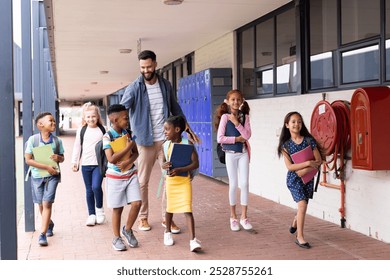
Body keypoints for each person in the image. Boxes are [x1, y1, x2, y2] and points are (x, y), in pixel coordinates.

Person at [120, 50, 199, 233]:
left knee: (169, 178)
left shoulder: (165, 85)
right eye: (142, 67)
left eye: (148, 66)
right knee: (142, 182)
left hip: (165, 141)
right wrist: (125, 136)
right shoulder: (134, 87)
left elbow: (175, 108)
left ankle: (166, 218)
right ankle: (143, 218)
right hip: (144, 141)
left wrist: (188, 129)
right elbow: (123, 111)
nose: (146, 70)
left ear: (155, 64)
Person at [277, 111, 322, 249]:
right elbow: (290, 167)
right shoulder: (286, 146)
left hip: (308, 178)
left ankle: (296, 221)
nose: (297, 124)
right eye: (293, 122)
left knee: (303, 206)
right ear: (287, 125)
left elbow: (318, 160)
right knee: (302, 205)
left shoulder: (309, 141)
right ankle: (300, 237)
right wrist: (308, 163)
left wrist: (306, 169)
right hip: (294, 180)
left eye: (299, 122)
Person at [103, 104, 142, 251]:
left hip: (130, 173)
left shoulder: (129, 133)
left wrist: (128, 161)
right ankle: (116, 238)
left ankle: (128, 229)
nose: (128, 120)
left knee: (137, 203)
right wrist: (127, 147)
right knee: (117, 209)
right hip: (115, 177)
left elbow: (136, 153)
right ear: (114, 119)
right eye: (125, 118)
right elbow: (111, 158)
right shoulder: (107, 137)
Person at [161, 116, 201, 252]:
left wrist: (180, 170)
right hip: (171, 182)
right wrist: (164, 164)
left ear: (177, 130)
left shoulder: (188, 144)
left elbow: (195, 163)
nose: (164, 132)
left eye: (167, 129)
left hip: (184, 181)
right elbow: (162, 162)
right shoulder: (165, 145)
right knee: (169, 208)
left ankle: (193, 241)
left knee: (187, 209)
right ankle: (167, 232)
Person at [215, 89, 253, 232]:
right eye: (233, 100)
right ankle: (233, 217)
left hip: (243, 153)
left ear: (242, 100)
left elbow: (248, 135)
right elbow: (220, 138)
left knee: (244, 184)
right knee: (234, 184)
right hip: (230, 154)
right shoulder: (225, 117)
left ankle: (244, 217)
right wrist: (237, 139)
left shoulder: (245, 117)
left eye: (238, 99)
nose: (236, 102)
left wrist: (237, 123)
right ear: (228, 101)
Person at [25, 112, 65, 246]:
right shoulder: (33, 140)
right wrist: (46, 166)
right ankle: (49, 223)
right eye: (50, 121)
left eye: (54, 121)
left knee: (47, 203)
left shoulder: (57, 141)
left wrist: (58, 158)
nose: (53, 123)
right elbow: (28, 160)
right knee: (41, 205)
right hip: (37, 177)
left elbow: (62, 158)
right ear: (40, 125)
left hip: (52, 176)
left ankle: (42, 234)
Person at [71, 102, 106, 226]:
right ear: (84, 118)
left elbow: (108, 146)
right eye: (88, 117)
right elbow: (77, 146)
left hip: (99, 165)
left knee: (96, 187)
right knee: (89, 190)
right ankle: (91, 214)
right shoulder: (82, 130)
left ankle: (100, 210)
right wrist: (74, 162)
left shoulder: (103, 129)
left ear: (97, 116)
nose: (91, 119)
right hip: (86, 165)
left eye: (93, 116)